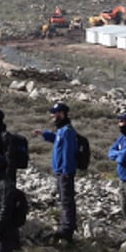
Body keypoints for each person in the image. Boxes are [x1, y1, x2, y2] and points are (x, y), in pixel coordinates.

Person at [40, 101, 77, 242]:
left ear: (62, 114)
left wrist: (66, 171)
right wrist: (46, 134)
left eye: (54, 113)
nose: (52, 116)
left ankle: (67, 230)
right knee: (64, 199)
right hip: (61, 171)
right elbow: (58, 140)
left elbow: (68, 152)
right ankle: (66, 226)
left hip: (65, 172)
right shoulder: (62, 130)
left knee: (67, 200)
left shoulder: (67, 130)